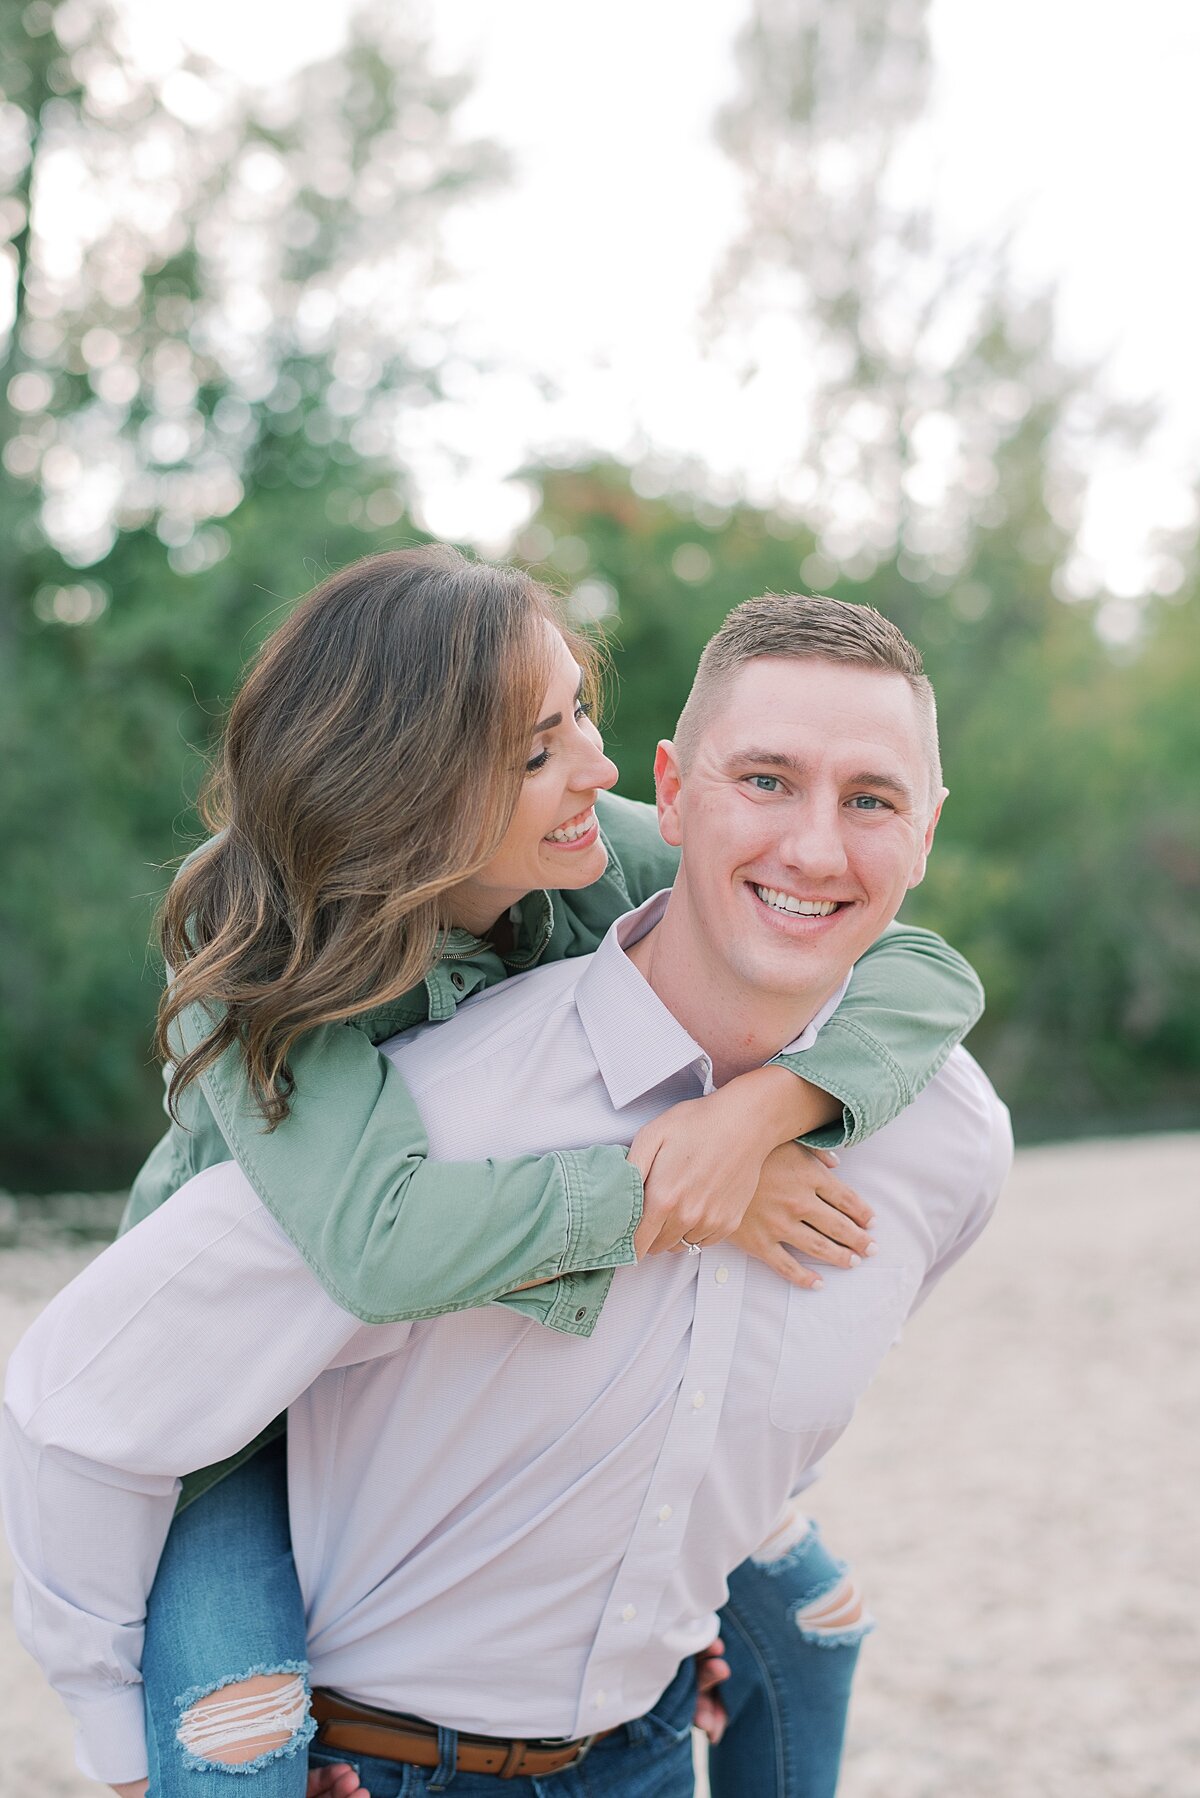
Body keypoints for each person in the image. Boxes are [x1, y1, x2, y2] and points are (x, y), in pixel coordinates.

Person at [3, 591, 1011, 1798]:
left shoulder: (605, 848)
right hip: (232, 1422)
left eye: (578, 714)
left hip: (607, 1705)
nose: (590, 763)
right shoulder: (260, 967)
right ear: (410, 788)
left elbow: (915, 959)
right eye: (536, 749)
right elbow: (379, 1247)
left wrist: (763, 1111)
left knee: (809, 1625)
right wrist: (675, 1192)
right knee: (235, 1739)